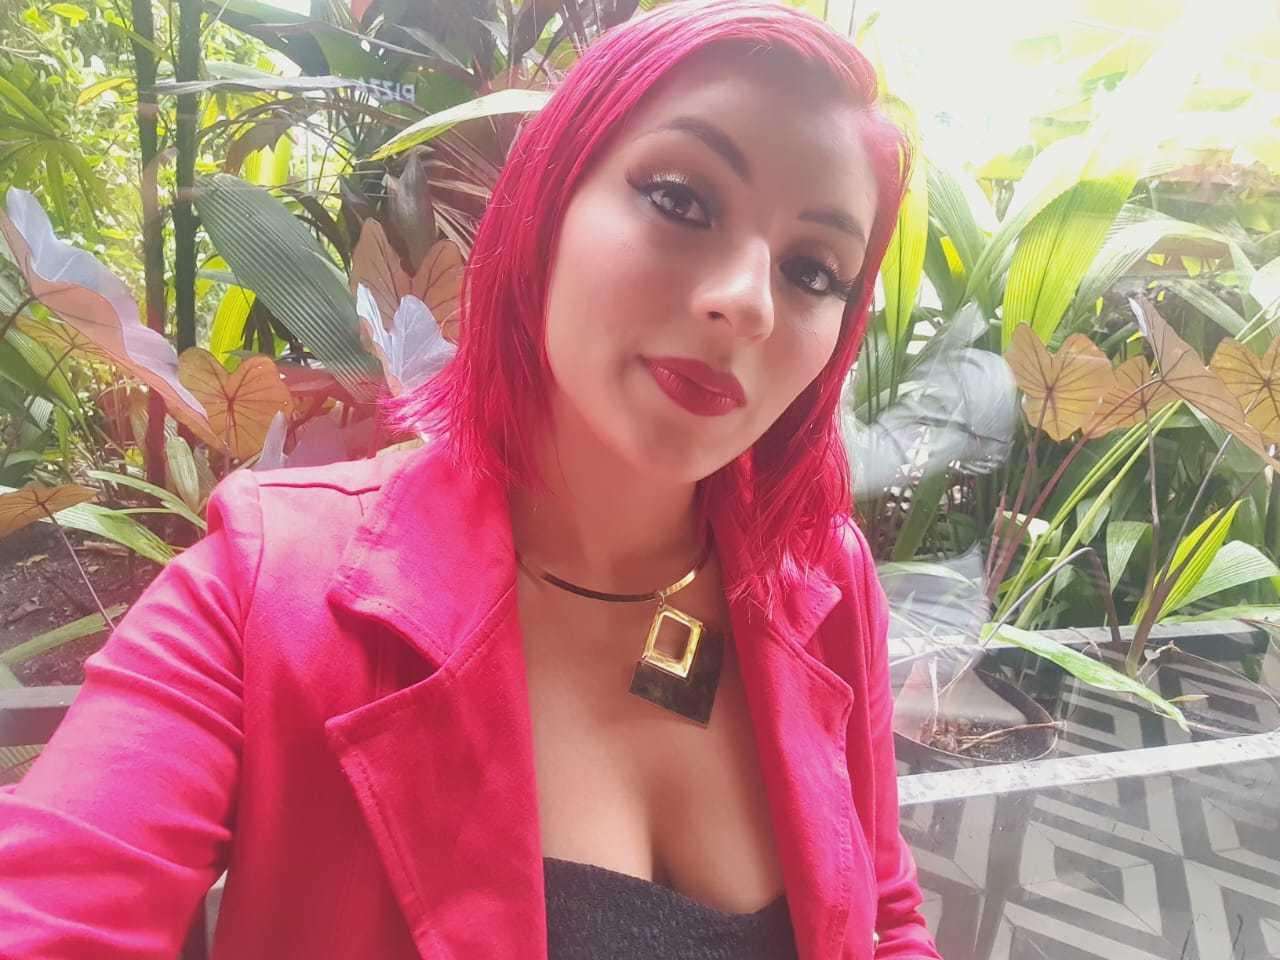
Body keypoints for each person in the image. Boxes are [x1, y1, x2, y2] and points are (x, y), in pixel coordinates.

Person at [0, 0, 941, 957]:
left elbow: (886, 914)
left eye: (813, 271)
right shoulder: (270, 588)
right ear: (548, 205)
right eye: (681, 200)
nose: (747, 302)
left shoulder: (818, 579)